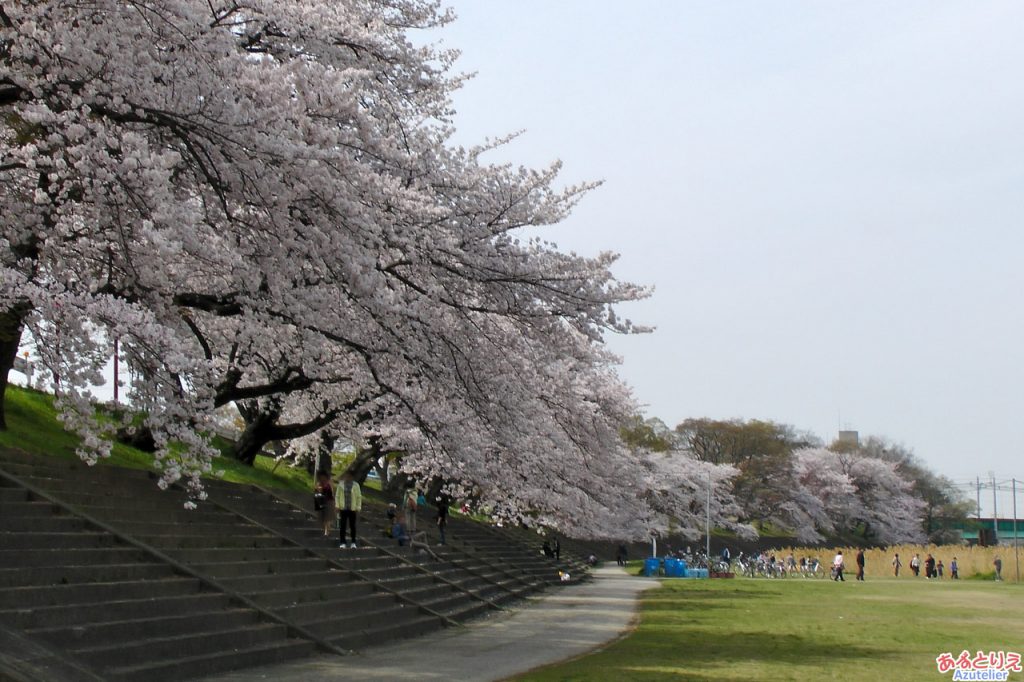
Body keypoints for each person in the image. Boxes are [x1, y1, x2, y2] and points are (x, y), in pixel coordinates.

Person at [336, 470, 362, 548]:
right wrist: (337, 505)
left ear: (352, 477)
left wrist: (358, 507)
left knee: (352, 526)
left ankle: (353, 542)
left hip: (352, 508)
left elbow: (359, 497)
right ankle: (342, 542)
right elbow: (337, 496)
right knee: (343, 525)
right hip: (343, 508)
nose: (347, 477)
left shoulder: (356, 485)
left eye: (349, 476)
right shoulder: (341, 485)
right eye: (346, 476)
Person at [313, 472, 334, 536]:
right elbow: (316, 490)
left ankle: (327, 531)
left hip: (328, 501)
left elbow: (331, 493)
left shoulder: (329, 484)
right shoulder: (319, 483)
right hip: (321, 501)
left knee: (327, 518)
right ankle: (327, 529)